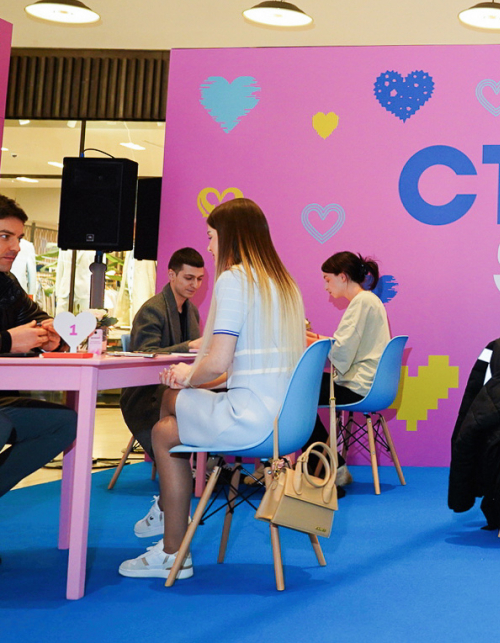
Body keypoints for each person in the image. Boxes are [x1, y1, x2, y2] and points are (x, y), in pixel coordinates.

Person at [119, 198, 305, 580]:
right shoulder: (284, 285)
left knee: (167, 407)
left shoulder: (235, 279)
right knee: (165, 428)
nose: (209, 247)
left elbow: (218, 362)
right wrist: (193, 376)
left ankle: (172, 537)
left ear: (230, 235)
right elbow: (244, 365)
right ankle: (171, 534)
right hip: (285, 422)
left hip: (250, 418)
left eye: (211, 237)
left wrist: (186, 376)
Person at [119, 247, 205, 539]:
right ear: (171, 275)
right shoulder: (152, 309)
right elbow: (145, 354)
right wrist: (188, 346)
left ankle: (170, 503)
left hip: (173, 391)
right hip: (144, 395)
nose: (195, 285)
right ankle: (172, 503)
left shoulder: (192, 311)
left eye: (199, 279)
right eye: (189, 278)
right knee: (178, 431)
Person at [0, 196, 74, 518]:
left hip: (3, 400)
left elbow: (38, 320)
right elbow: (14, 338)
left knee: (64, 423)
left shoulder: (7, 284)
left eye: (18, 238)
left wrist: (54, 338)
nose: (15, 247)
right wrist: (8, 340)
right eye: (5, 236)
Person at [303, 252, 392, 490]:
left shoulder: (361, 303)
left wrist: (309, 340)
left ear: (342, 277)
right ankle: (330, 465)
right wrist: (316, 338)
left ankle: (330, 468)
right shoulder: (369, 301)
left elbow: (341, 353)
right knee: (302, 390)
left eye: (327, 279)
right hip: (369, 383)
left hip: (357, 386)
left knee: (296, 395)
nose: (326, 286)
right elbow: (346, 346)